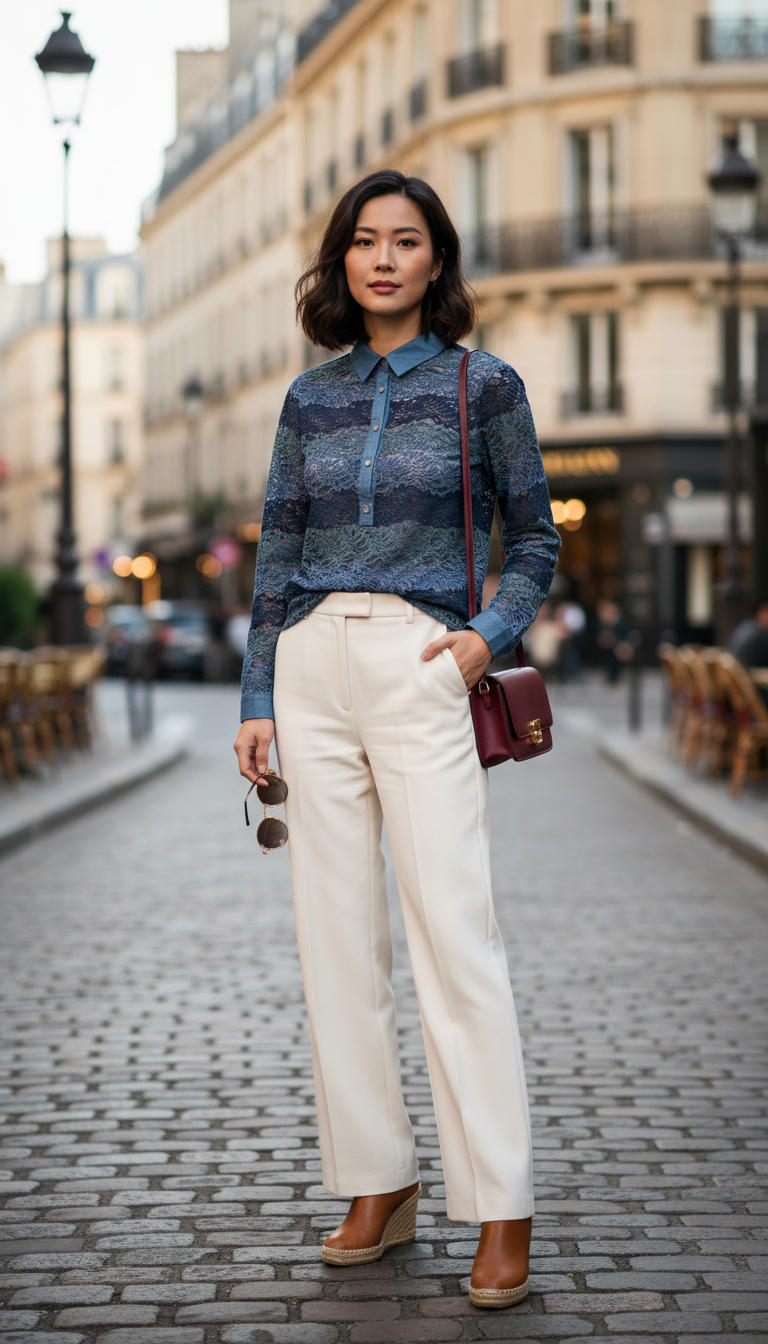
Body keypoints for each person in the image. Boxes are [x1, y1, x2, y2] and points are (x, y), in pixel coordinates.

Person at [233, 170, 560, 1309]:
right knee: (337, 945)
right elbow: (276, 553)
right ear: (341, 262)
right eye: (364, 242)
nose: (383, 259)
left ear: (436, 261)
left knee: (454, 935)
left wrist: (484, 642)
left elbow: (537, 542)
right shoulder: (306, 401)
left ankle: (500, 1199)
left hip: (424, 662)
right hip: (314, 663)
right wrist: (256, 696)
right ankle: (377, 1180)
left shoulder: (486, 387)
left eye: (406, 241)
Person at [728, 600, 768, 669]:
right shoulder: (757, 635)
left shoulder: (745, 626)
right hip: (747, 677)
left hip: (738, 675)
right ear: (763, 612)